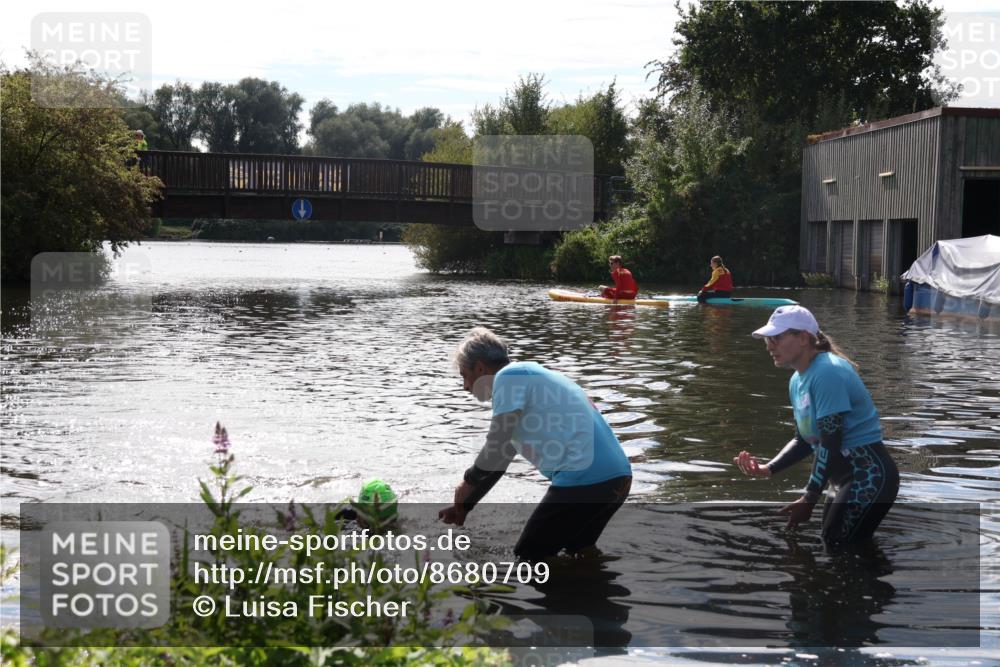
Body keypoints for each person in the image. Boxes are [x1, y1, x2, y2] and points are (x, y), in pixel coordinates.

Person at [439, 327, 632, 560]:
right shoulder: (527, 380)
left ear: (479, 368)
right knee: (578, 555)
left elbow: (495, 447)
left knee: (528, 557)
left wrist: (466, 482)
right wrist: (465, 506)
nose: (465, 386)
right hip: (617, 478)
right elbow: (500, 459)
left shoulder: (508, 377)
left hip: (584, 480)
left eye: (464, 375)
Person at [733, 305, 899, 546]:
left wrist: (809, 497)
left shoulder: (827, 372)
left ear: (803, 338)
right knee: (837, 547)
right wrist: (768, 468)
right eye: (768, 339)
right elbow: (805, 440)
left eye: (777, 338)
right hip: (842, 478)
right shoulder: (797, 380)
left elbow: (831, 443)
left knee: (841, 548)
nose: (769, 345)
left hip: (868, 476)